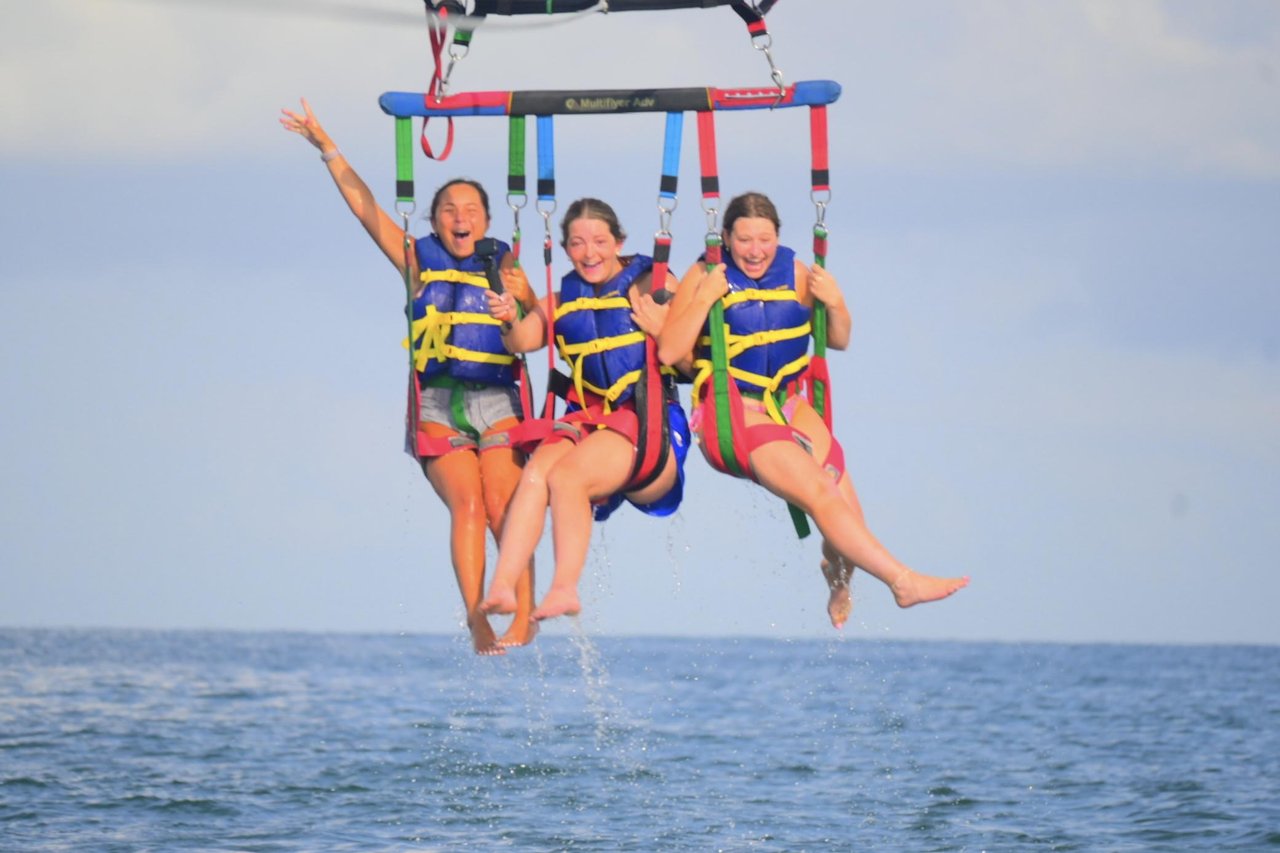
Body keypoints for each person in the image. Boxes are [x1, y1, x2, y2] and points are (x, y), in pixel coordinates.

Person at [280, 98, 536, 655]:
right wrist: (328, 148)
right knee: (468, 506)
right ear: (433, 220)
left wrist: (524, 301)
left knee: (504, 507)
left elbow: (540, 329)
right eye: (447, 208)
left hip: (498, 400)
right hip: (438, 406)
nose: (459, 217)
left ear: (488, 221)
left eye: (470, 208)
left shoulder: (508, 268)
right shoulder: (416, 262)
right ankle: (476, 620)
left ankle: (526, 614)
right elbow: (365, 207)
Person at [657, 191, 968, 627]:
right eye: (744, 240)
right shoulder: (704, 273)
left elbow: (839, 339)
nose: (755, 251)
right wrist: (706, 297)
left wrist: (837, 302)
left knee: (848, 519)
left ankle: (836, 578)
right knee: (823, 495)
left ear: (777, 236)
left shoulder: (797, 272)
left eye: (764, 239)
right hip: (731, 412)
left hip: (789, 404)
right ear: (726, 237)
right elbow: (670, 351)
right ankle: (903, 581)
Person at [479, 198, 690, 623]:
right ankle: (503, 585)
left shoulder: (653, 286)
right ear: (565, 248)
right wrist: (507, 315)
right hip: (589, 421)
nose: (589, 252)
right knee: (537, 471)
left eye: (599, 241)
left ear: (619, 243)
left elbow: (688, 362)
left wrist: (664, 327)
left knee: (567, 478)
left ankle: (563, 590)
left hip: (647, 426)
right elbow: (520, 341)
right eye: (577, 243)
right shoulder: (561, 299)